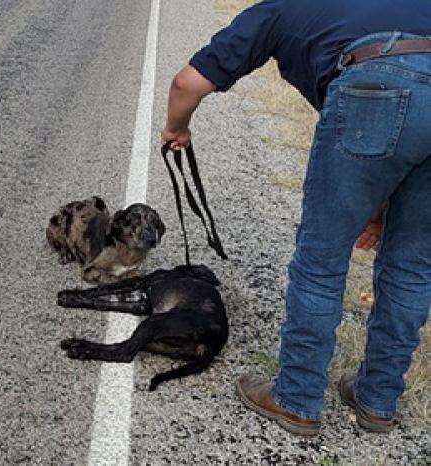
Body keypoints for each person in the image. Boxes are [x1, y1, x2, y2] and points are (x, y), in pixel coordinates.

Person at [161, 0, 431, 436]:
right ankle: (378, 399)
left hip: (374, 83)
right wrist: (379, 208)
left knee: (320, 262)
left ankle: (298, 398)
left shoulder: (281, 9)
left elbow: (186, 84)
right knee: (413, 268)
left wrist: (177, 128)